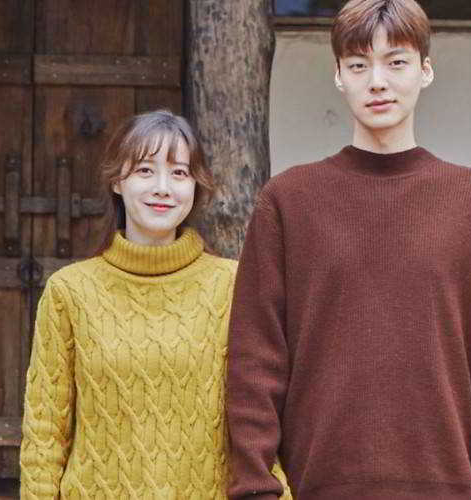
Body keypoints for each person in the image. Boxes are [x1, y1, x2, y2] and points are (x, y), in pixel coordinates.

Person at [225, 1, 471, 499]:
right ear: (339, 76)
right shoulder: (289, 201)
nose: (378, 82)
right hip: (316, 487)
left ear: (425, 70)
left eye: (396, 62)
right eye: (359, 65)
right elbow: (255, 360)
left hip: (445, 488)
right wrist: (258, 489)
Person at [19, 110, 290, 499]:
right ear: (117, 181)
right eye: (145, 170)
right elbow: (45, 431)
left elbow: (264, 417)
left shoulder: (234, 286)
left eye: (179, 173)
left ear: (195, 185)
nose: (163, 188)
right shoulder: (70, 291)